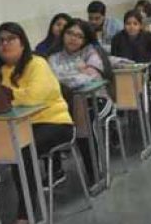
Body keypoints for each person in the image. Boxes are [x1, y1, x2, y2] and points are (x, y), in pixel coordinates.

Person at [0, 22, 74, 224]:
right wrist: (5, 95)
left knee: (22, 150)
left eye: (10, 39)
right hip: (13, 127)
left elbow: (33, 97)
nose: (4, 44)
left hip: (53, 122)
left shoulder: (37, 64)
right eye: (0, 41)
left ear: (22, 43)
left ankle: (27, 214)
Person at [49, 18, 114, 181]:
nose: (73, 38)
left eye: (79, 36)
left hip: (99, 100)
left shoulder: (92, 52)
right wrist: (79, 72)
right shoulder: (54, 57)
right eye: (70, 33)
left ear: (85, 39)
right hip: (67, 104)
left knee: (87, 120)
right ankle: (56, 172)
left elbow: (92, 78)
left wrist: (68, 77)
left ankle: (97, 173)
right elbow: (52, 78)